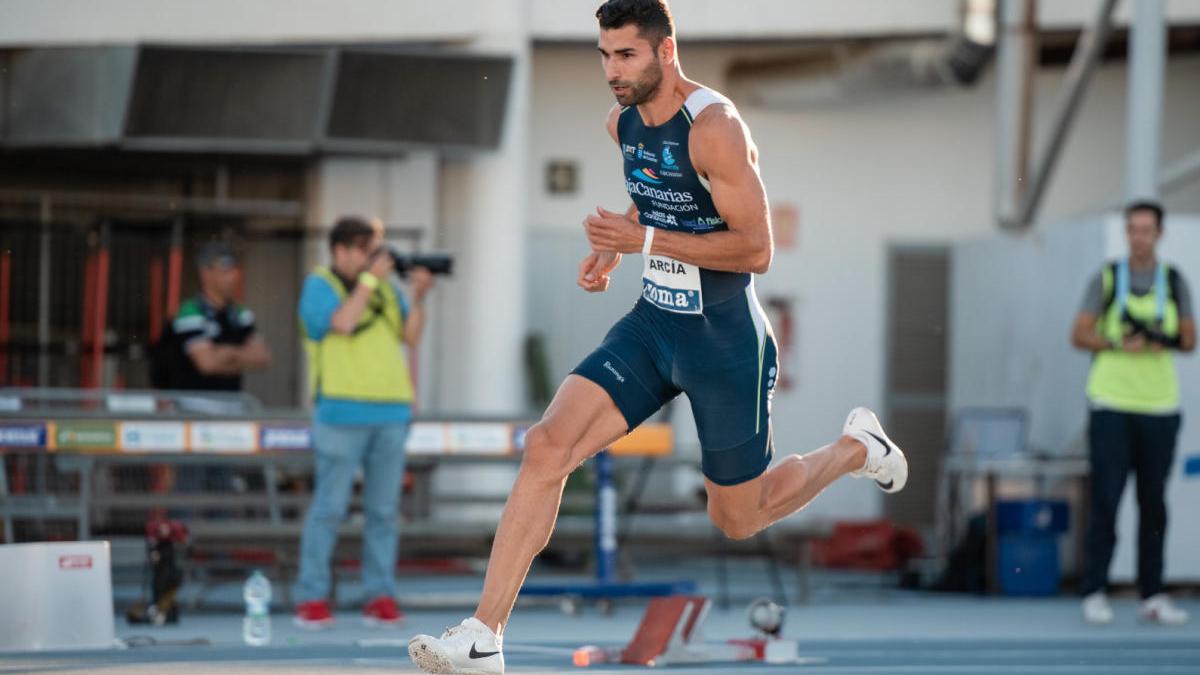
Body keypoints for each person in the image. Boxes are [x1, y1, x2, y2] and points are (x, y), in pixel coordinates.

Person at [408, 2, 908, 672]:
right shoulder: (622, 123)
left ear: (665, 52)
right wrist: (620, 244)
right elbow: (655, 192)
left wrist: (640, 239)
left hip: (724, 338)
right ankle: (483, 634)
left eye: (627, 56)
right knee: (547, 446)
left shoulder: (717, 128)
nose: (612, 72)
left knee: (738, 516)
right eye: (605, 55)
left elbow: (757, 249)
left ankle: (854, 447)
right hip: (654, 323)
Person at [293, 216, 434, 629]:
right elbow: (342, 322)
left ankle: (380, 596)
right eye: (366, 250)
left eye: (377, 250)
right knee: (329, 509)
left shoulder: (387, 289)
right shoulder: (320, 285)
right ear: (341, 250)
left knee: (384, 513)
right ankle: (312, 598)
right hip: (340, 412)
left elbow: (409, 338)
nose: (376, 259)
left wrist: (419, 298)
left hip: (391, 413)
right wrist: (371, 282)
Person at [1071, 200, 1195, 625]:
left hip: (1159, 407)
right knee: (1106, 499)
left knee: (1154, 503)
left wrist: (1166, 339)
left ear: (1159, 233)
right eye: (1132, 229)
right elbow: (1080, 333)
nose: (1139, 236)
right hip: (1111, 403)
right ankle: (1094, 591)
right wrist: (1116, 343)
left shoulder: (1174, 280)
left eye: (1146, 229)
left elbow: (1190, 338)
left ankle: (1153, 594)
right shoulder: (1106, 279)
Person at [156, 241, 271, 392]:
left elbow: (262, 358)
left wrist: (226, 352)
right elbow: (206, 364)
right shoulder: (190, 311)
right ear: (206, 274)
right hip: (192, 407)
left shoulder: (239, 313)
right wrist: (240, 355)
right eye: (225, 271)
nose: (233, 277)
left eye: (234, 270)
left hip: (232, 406)